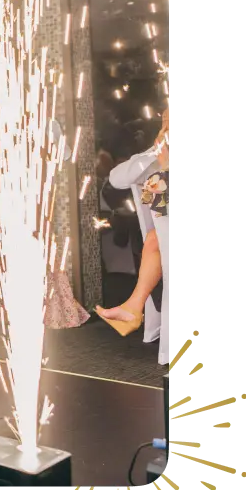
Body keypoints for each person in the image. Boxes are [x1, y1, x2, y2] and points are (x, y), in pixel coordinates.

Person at [95, 107, 170, 337]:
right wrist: (159, 157)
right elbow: (119, 178)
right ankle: (133, 309)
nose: (165, 120)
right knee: (153, 239)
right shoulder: (156, 156)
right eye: (165, 117)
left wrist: (164, 167)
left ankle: (188, 366)